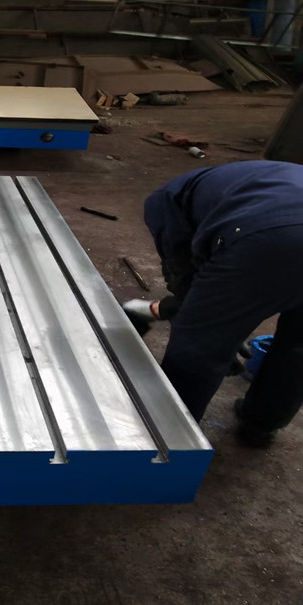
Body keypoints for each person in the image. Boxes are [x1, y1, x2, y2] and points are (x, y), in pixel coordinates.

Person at [123, 160, 303, 447]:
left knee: (197, 349)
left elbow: (182, 269)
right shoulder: (251, 180)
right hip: (279, 226)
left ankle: (166, 444)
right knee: (298, 346)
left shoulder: (163, 203)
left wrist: (208, 323)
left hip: (275, 236)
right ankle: (262, 424)